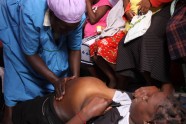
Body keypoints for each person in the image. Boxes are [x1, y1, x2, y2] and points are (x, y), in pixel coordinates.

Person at [0, 0, 86, 123]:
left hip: (51, 19)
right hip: (14, 17)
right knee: (18, 62)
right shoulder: (32, 11)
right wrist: (55, 80)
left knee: (54, 57)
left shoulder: (77, 13)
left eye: (71, 29)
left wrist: (75, 79)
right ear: (51, 14)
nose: (67, 32)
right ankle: (9, 113)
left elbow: (74, 48)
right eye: (64, 27)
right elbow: (30, 53)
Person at [12, 77, 186, 124]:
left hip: (46, 116)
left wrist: (84, 115)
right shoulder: (138, 109)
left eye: (146, 100)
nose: (143, 95)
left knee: (14, 116)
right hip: (47, 101)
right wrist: (154, 93)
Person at [116, 0, 174, 93]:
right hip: (141, 11)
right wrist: (127, 9)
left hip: (163, 7)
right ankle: (134, 85)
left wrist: (151, 1)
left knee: (148, 38)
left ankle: (159, 84)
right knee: (124, 43)